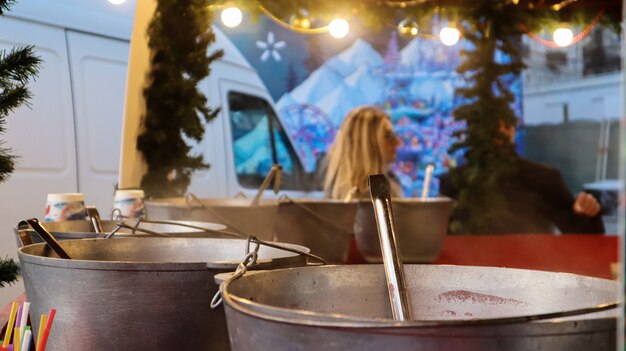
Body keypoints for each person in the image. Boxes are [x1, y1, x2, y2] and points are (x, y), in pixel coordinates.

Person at [439, 122, 604, 234]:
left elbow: (579, 232)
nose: (499, 132)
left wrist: (585, 212)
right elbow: (440, 236)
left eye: (505, 125)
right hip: (466, 275)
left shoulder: (543, 178)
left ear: (513, 130)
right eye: (490, 126)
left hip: (533, 275)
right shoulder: (454, 182)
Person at [323, 106, 402, 199]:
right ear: (367, 145)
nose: (398, 142)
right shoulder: (349, 199)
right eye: (388, 136)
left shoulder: (389, 184)